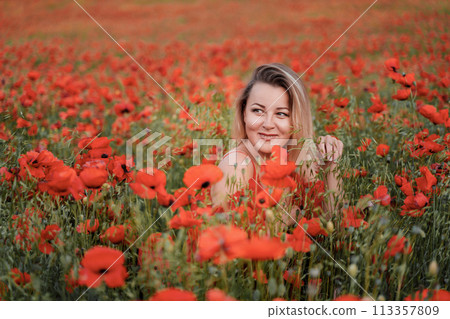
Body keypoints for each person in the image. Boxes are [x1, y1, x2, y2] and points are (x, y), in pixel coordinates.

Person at [211, 63, 344, 226]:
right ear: (244, 112)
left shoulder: (296, 158)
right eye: (258, 111)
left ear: (296, 120)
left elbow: (334, 228)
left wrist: (331, 165)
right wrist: (291, 217)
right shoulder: (237, 166)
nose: (268, 124)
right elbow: (229, 240)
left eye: (281, 114)